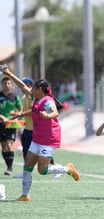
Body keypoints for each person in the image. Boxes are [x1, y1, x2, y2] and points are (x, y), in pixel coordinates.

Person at [3, 67, 79, 201]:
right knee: (28, 165)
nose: (30, 90)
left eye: (33, 88)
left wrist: (48, 115)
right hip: (37, 137)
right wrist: (9, 73)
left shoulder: (48, 101)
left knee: (42, 170)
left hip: (49, 138)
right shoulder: (35, 98)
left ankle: (68, 169)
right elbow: (22, 86)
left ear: (40, 90)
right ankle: (25, 195)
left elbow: (55, 112)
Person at [0, 76, 22, 176]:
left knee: (9, 144)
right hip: (1, 124)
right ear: (2, 85)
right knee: (4, 146)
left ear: (11, 85)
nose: (7, 85)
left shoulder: (14, 97)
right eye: (5, 83)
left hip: (11, 124)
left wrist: (18, 117)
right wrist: (3, 117)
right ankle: (8, 166)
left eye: (9, 83)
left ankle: (10, 168)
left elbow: (21, 109)